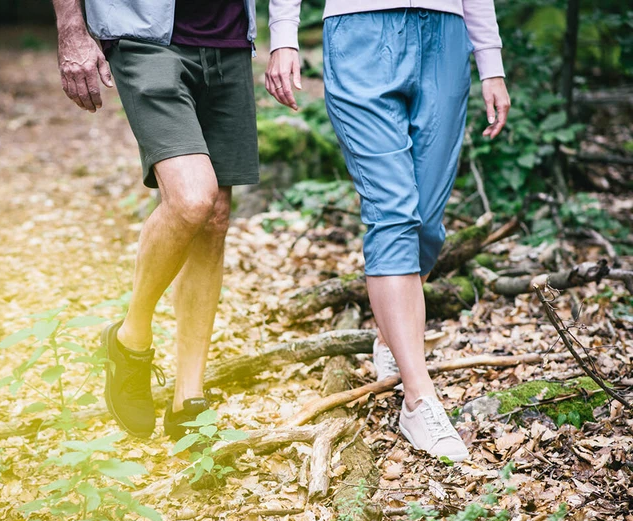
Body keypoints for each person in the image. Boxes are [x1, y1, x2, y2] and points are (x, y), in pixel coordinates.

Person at [266, 0, 510, 461]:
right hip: (359, 29)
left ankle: (390, 335)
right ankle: (418, 399)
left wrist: (491, 63)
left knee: (427, 223)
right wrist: (283, 35)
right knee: (393, 212)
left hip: (446, 34)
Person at [51, 0, 259, 440]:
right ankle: (130, 337)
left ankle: (188, 399)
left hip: (229, 38)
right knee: (192, 199)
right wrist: (71, 28)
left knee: (215, 218)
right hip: (144, 34)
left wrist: (284, 35)